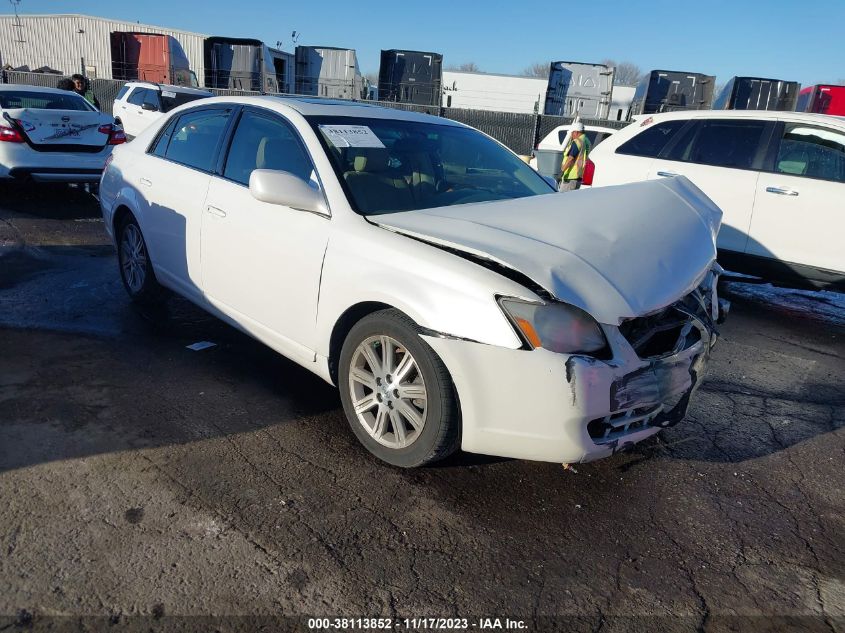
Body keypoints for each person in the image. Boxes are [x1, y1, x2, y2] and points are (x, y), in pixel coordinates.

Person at [558, 121, 590, 191]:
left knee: (563, 199)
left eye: (572, 133)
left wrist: (562, 171)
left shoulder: (577, 141)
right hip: (579, 176)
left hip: (570, 177)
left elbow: (570, 158)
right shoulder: (586, 141)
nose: (571, 135)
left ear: (576, 132)